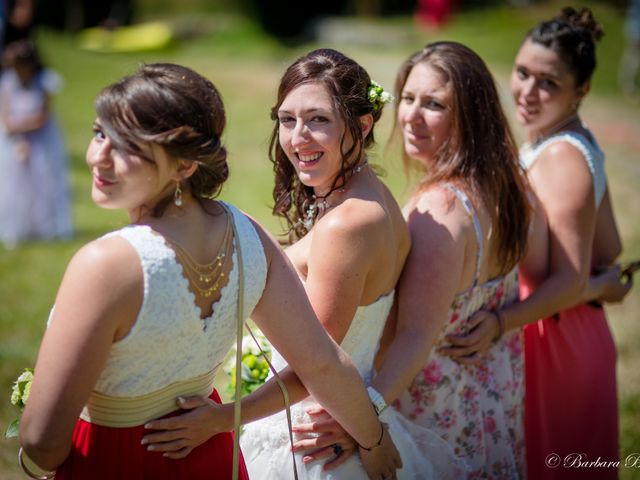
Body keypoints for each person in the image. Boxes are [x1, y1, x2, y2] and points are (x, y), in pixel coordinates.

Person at [18, 62, 402, 480]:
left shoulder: (103, 264)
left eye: (127, 145)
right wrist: (375, 439)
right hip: (212, 459)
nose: (99, 156)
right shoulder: (247, 234)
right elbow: (323, 362)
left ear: (186, 165)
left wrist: (33, 463)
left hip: (114, 459)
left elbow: (42, 441)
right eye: (99, 133)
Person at [141, 48, 465, 480]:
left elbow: (315, 365)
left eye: (318, 120)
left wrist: (223, 419)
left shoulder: (347, 226)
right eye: (287, 119)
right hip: (345, 419)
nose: (297, 138)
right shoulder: (373, 197)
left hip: (313, 442)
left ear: (362, 125)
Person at [290, 41, 532, 478]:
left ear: (471, 116)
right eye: (408, 99)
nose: (411, 117)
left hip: (434, 406)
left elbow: (415, 336)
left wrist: (366, 417)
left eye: (434, 104)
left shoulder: (439, 211)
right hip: (493, 390)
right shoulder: (503, 188)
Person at [443, 7, 632, 479]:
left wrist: (500, 321)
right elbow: (609, 249)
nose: (527, 91)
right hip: (557, 325)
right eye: (522, 72)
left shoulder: (562, 158)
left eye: (547, 82)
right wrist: (603, 281)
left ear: (581, 91)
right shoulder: (559, 143)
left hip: (557, 338)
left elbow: (568, 279)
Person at [0, 39, 72, 248]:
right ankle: (18, 227)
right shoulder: (7, 82)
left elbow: (41, 118)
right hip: (12, 141)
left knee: (43, 183)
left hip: (42, 141)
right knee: (14, 184)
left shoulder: (45, 81)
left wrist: (17, 128)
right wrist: (15, 136)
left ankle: (44, 227)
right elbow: (5, 115)